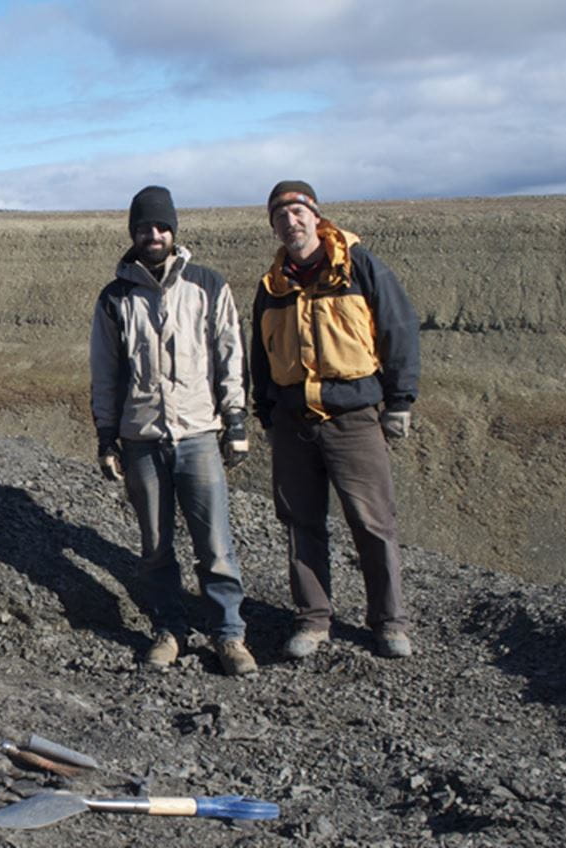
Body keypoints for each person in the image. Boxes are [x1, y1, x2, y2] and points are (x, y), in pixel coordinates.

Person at [90, 185, 257, 675]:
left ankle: (230, 636)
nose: (154, 235)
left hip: (199, 433)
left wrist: (236, 421)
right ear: (133, 234)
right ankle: (170, 630)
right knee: (155, 547)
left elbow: (230, 355)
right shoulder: (115, 297)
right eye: (144, 227)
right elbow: (105, 373)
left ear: (174, 230)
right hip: (141, 438)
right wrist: (106, 436)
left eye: (161, 226)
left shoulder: (207, 284)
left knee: (216, 546)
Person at [250, 180, 420, 660]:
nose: (291, 221)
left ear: (316, 216)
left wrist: (399, 402)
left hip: (353, 417)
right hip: (292, 420)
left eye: (298, 212)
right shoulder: (272, 285)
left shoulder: (359, 266)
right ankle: (312, 620)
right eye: (280, 215)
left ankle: (389, 622)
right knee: (301, 523)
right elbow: (258, 355)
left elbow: (398, 327)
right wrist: (266, 411)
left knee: (373, 521)